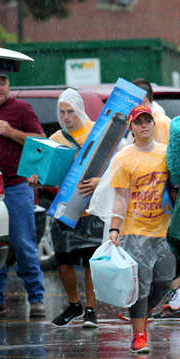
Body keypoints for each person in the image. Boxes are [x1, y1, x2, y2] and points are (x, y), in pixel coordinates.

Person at [91, 104, 176, 353]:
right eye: (139, 122)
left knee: (163, 281)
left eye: (148, 120)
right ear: (131, 128)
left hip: (164, 229)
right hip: (135, 229)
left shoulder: (166, 153)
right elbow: (120, 198)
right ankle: (139, 335)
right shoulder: (124, 158)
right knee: (139, 285)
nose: (144, 125)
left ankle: (142, 315)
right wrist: (114, 230)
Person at [0, 71, 46, 318]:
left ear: (8, 85)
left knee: (24, 245)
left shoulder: (21, 109)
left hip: (15, 188)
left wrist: (13, 133)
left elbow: (41, 141)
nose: (0, 87)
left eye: (3, 82)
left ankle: (37, 299)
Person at [121, 78, 180, 322]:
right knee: (150, 271)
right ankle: (153, 313)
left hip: (161, 208)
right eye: (138, 122)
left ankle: (172, 303)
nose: (143, 125)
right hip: (141, 217)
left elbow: (171, 159)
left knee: (162, 270)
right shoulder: (153, 123)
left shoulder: (161, 122)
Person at [48, 89, 104, 328]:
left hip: (92, 207)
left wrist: (100, 181)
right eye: (62, 112)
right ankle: (74, 305)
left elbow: (114, 162)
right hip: (65, 207)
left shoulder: (96, 131)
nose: (66, 116)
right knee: (63, 259)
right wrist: (36, 178)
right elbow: (48, 174)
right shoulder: (56, 139)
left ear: (79, 110)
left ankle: (91, 309)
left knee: (91, 260)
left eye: (71, 111)